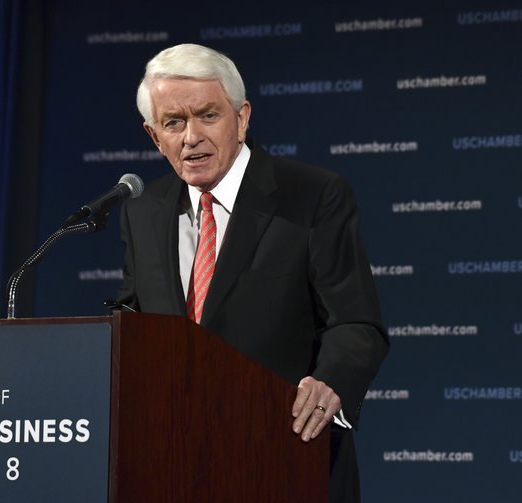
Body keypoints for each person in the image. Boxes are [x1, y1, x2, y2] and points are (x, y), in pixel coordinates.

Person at [116, 43, 388, 502]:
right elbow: (136, 317)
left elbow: (356, 322)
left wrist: (331, 383)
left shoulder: (312, 195)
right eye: (173, 122)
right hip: (173, 465)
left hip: (285, 455)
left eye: (207, 115)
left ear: (242, 117)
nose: (191, 137)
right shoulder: (142, 211)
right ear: (153, 135)